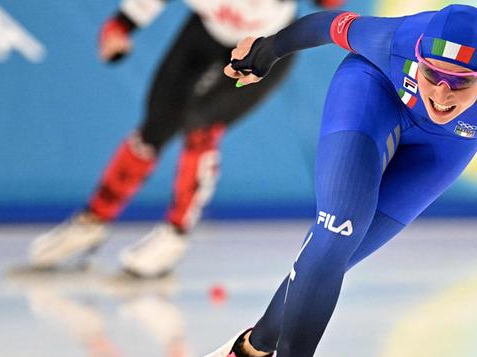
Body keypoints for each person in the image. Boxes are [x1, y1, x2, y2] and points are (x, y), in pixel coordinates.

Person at [144, 5, 477, 357]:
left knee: (341, 252)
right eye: (433, 75)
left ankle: (252, 346)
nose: (441, 93)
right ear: (420, 58)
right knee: (338, 230)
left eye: (460, 84)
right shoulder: (397, 40)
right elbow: (328, 25)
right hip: (371, 95)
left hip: (445, 147)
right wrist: (267, 51)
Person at [28, 0, 341, 278]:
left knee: (201, 125)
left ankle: (175, 234)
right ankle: (92, 222)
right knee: (153, 128)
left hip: (266, 44)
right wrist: (119, 26)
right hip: (205, 33)